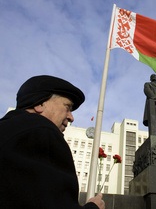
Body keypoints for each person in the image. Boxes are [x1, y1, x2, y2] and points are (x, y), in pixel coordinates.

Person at [0, 75, 105, 209]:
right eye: (67, 107)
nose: (71, 117)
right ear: (40, 104)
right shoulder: (42, 131)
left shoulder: (9, 129)